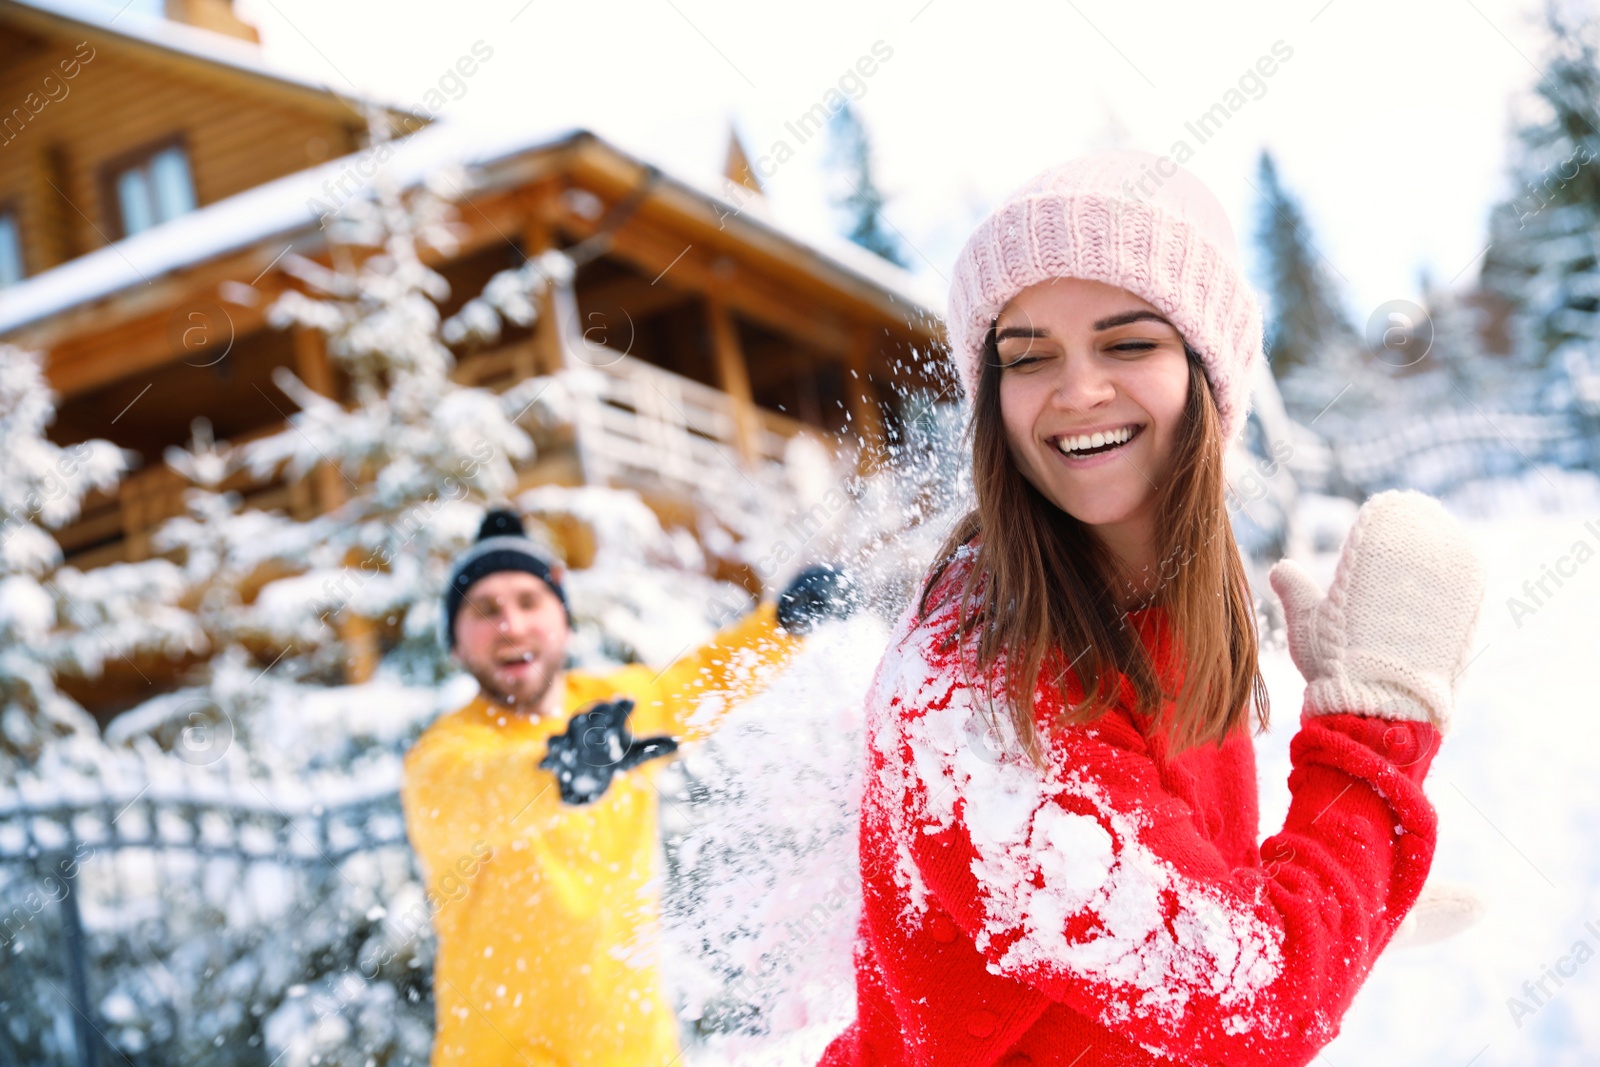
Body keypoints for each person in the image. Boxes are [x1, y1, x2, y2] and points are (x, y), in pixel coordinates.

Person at [819, 150, 1488, 1067]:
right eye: (1028, 356)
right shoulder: (972, 690)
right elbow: (1252, 1008)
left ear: (1206, 379)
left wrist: (1339, 901)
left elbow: (1182, 900)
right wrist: (1373, 739)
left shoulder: (1159, 602)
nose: (1077, 389)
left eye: (1128, 342)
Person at [402, 508, 855, 1067]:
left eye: (528, 602)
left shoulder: (613, 706)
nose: (511, 625)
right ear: (456, 643)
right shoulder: (441, 758)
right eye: (485, 610)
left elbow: (706, 680)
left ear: (563, 620)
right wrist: (560, 772)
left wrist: (782, 626)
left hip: (631, 1049)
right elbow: (482, 794)